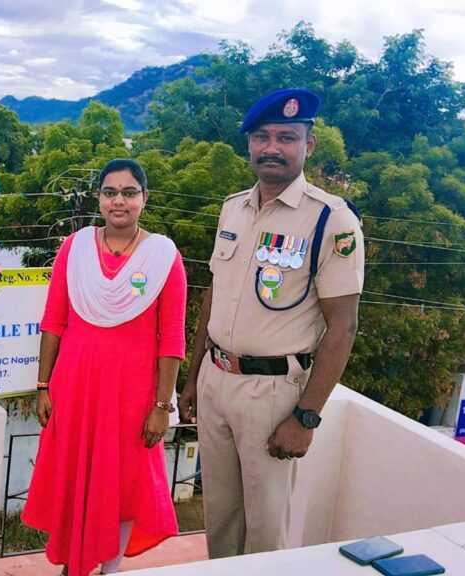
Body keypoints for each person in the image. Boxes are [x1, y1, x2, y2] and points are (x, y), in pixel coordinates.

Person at [178, 88, 364, 558]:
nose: (272, 148)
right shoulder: (233, 207)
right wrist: (194, 377)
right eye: (262, 137)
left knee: (265, 529)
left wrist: (306, 417)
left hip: (274, 394)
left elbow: (342, 329)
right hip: (216, 379)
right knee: (220, 519)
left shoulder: (331, 220)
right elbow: (215, 296)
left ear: (309, 145)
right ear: (249, 144)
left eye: (286, 137)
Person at [22, 158, 187, 576]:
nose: (119, 201)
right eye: (110, 192)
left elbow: (171, 338)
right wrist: (43, 386)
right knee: (73, 475)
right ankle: (73, 563)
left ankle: (108, 569)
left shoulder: (163, 256)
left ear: (144, 198)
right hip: (75, 388)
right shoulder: (75, 248)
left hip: (132, 396)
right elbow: (54, 320)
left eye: (129, 193)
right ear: (99, 198)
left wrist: (161, 407)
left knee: (123, 482)